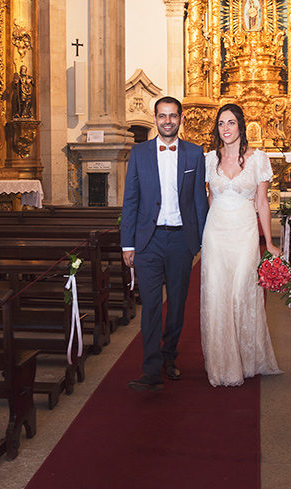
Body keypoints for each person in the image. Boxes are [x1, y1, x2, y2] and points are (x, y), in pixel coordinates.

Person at [121, 96, 209, 392]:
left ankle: (170, 357)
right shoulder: (140, 153)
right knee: (151, 307)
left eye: (172, 116)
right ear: (155, 118)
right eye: (162, 116)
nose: (167, 121)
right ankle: (150, 369)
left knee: (176, 306)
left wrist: (200, 241)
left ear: (181, 118)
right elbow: (130, 200)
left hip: (181, 241)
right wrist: (127, 244)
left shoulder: (195, 154)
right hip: (148, 241)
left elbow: (199, 200)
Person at [201, 103, 282, 387]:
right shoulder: (209, 159)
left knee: (241, 292)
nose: (225, 128)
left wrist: (269, 241)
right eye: (221, 123)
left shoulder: (258, 158)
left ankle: (247, 359)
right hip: (216, 232)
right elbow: (210, 198)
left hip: (246, 230)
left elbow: (262, 202)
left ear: (241, 125)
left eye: (231, 122)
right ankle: (222, 361)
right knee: (218, 294)